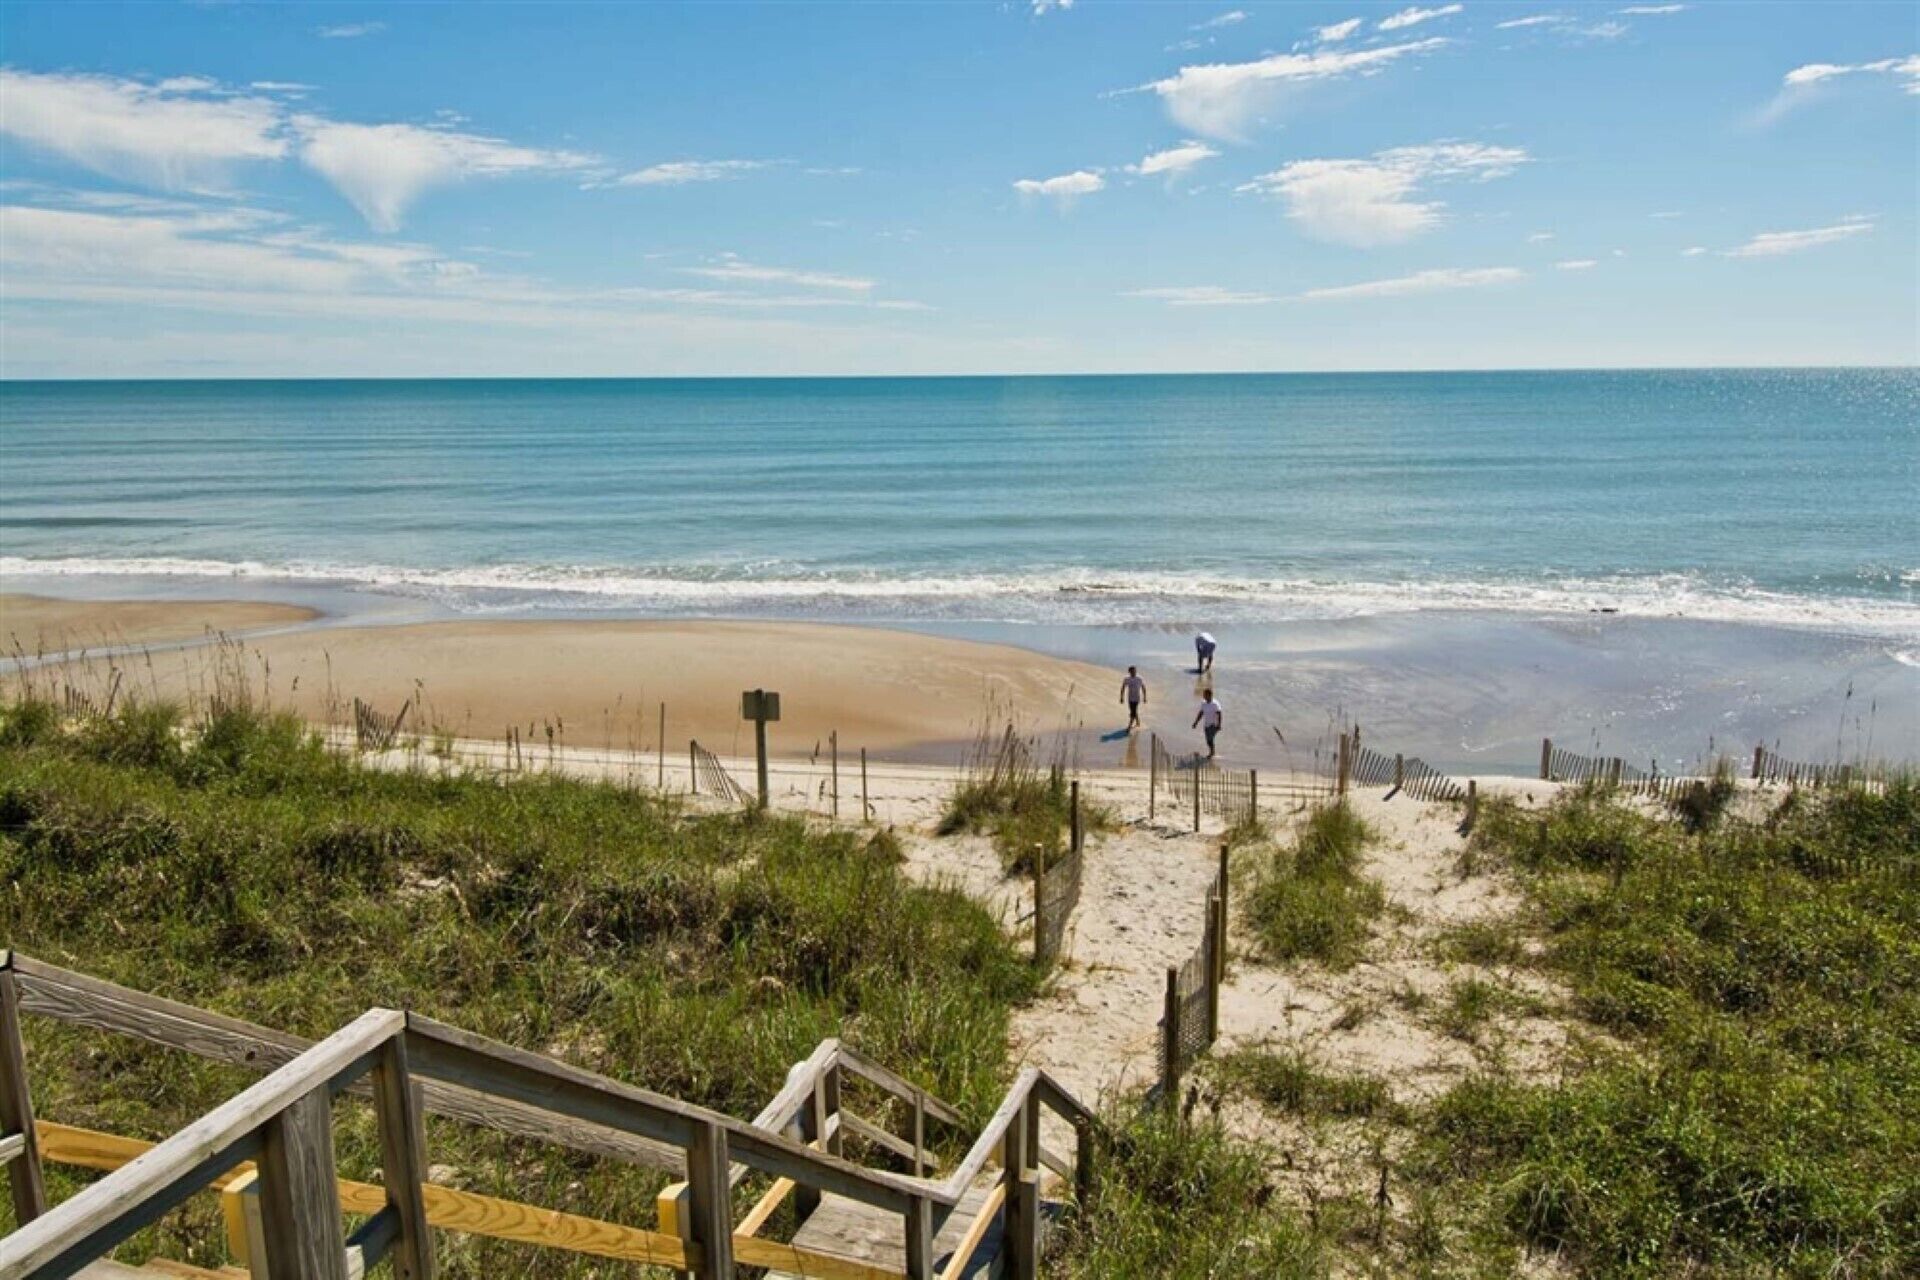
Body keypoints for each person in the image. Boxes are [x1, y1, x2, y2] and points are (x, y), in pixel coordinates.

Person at [1192, 689, 1223, 760]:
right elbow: (1201, 713)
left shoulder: (1215, 704)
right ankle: (1212, 752)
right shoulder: (1203, 703)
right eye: (1204, 695)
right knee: (1208, 740)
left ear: (1209, 695)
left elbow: (1219, 714)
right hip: (1206, 724)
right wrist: (1195, 722)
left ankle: (1212, 753)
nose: (1203, 696)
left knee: (1210, 738)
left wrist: (1219, 724)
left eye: (1205, 695)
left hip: (1214, 724)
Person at [1120, 665, 1147, 730]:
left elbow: (1143, 688)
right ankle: (1138, 722)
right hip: (1130, 698)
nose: (1133, 672)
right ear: (1129, 672)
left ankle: (1129, 726)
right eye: (1132, 671)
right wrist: (1121, 697)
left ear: (1136, 671)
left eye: (1134, 671)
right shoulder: (1127, 679)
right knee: (1133, 711)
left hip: (1137, 698)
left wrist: (1145, 697)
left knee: (1133, 712)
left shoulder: (1139, 678)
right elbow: (1123, 688)